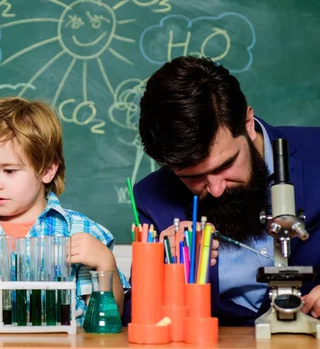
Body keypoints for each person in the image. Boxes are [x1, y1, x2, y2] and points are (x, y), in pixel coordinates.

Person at [123, 56, 320, 326]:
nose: (215, 190)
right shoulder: (151, 197)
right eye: (193, 177)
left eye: (226, 164)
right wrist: (161, 269)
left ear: (248, 124)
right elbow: (135, 317)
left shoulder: (316, 153)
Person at [0, 97, 130, 325]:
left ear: (47, 170)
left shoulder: (78, 230)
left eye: (9, 171)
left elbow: (108, 318)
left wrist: (106, 263)